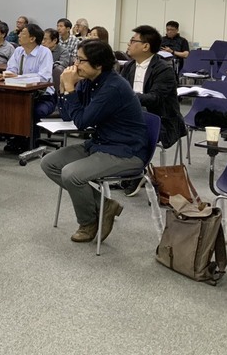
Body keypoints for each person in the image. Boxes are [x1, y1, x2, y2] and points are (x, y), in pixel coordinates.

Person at [41, 40, 148, 244]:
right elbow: (68, 116)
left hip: (126, 151)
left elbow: (82, 122)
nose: (76, 64)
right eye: (76, 59)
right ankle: (105, 205)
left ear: (98, 65)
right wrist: (64, 88)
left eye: (81, 60)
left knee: (71, 174)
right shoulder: (90, 81)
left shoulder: (113, 87)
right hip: (101, 143)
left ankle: (88, 222)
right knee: (49, 163)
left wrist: (70, 87)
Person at [121, 25, 186, 155]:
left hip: (157, 118)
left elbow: (155, 98)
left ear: (145, 46)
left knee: (123, 135)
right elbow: (119, 90)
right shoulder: (129, 66)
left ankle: (131, 162)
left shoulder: (164, 69)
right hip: (132, 114)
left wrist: (128, 97)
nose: (129, 44)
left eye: (133, 41)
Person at [0, 24, 55, 153]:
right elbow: (11, 69)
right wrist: (5, 75)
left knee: (33, 110)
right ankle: (16, 138)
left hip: (43, 96)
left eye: (23, 33)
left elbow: (44, 77)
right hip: (20, 93)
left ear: (32, 38)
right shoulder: (19, 51)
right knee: (9, 106)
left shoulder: (44, 52)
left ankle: (31, 142)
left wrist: (19, 77)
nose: (19, 36)